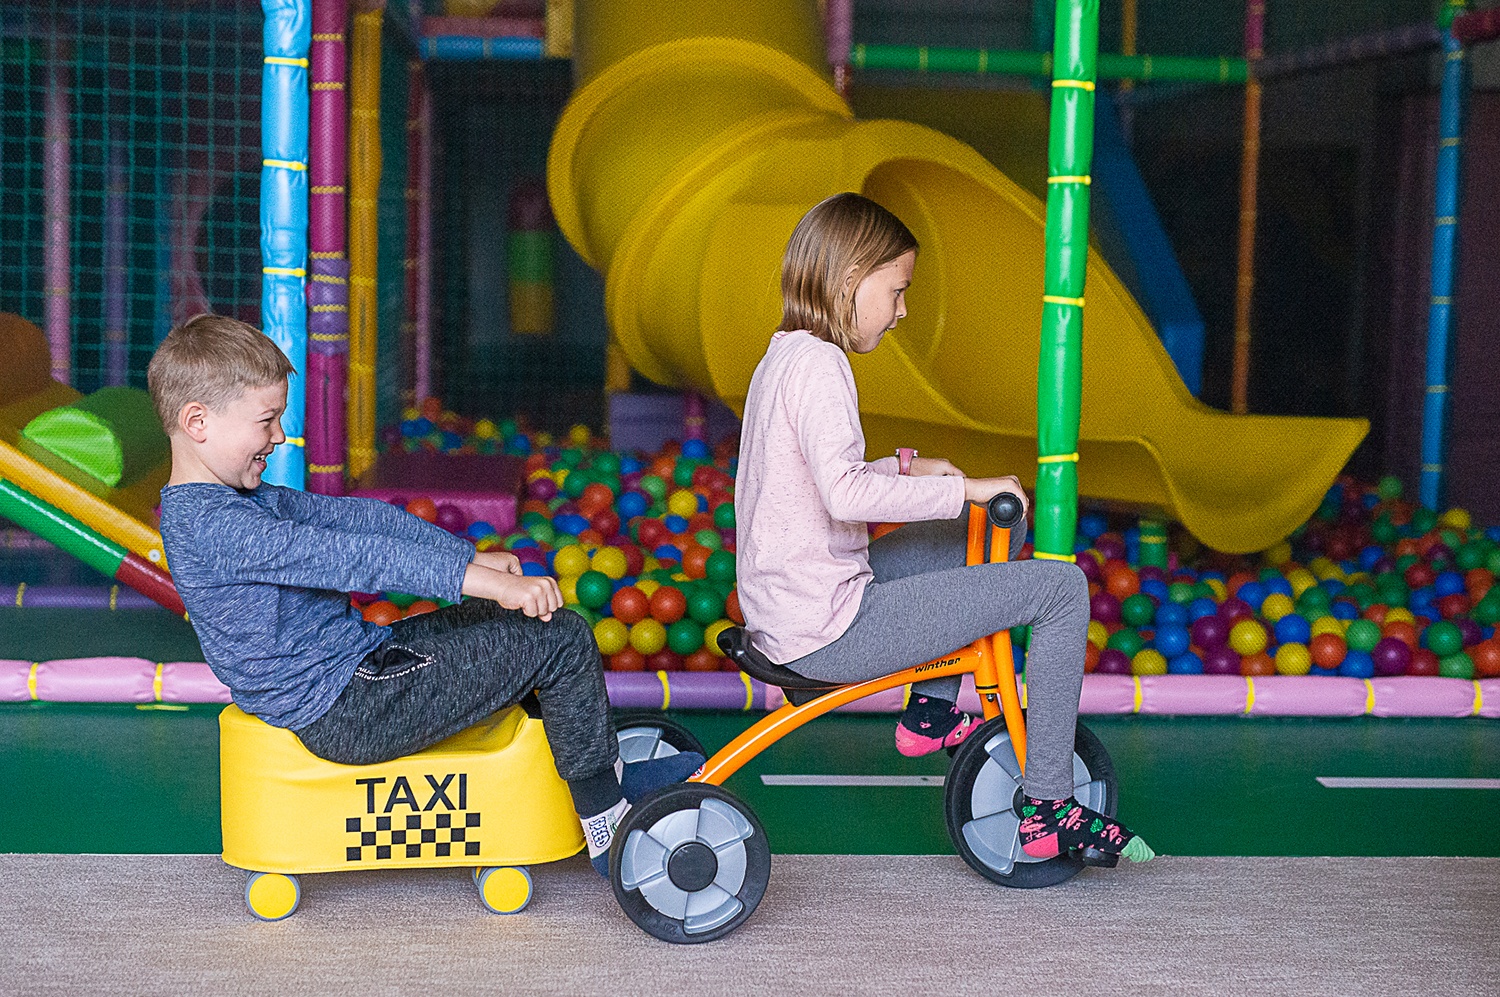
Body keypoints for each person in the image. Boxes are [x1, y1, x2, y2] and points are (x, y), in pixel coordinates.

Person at [149, 314, 700, 875]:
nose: (278, 437)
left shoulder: (242, 501)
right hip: (345, 708)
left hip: (359, 670)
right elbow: (357, 558)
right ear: (198, 422)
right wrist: (486, 580)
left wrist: (468, 559)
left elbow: (363, 521)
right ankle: (607, 821)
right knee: (561, 638)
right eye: (266, 421)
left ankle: (593, 766)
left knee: (516, 622)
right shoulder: (214, 526)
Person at [734, 194, 1153, 863]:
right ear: (851, 280)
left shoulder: (785, 354)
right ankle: (1049, 807)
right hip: (827, 627)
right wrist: (966, 486)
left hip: (799, 604)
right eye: (897, 291)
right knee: (1061, 590)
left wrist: (908, 467)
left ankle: (930, 712)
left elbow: (812, 478)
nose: (902, 310)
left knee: (976, 527)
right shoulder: (821, 364)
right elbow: (843, 493)